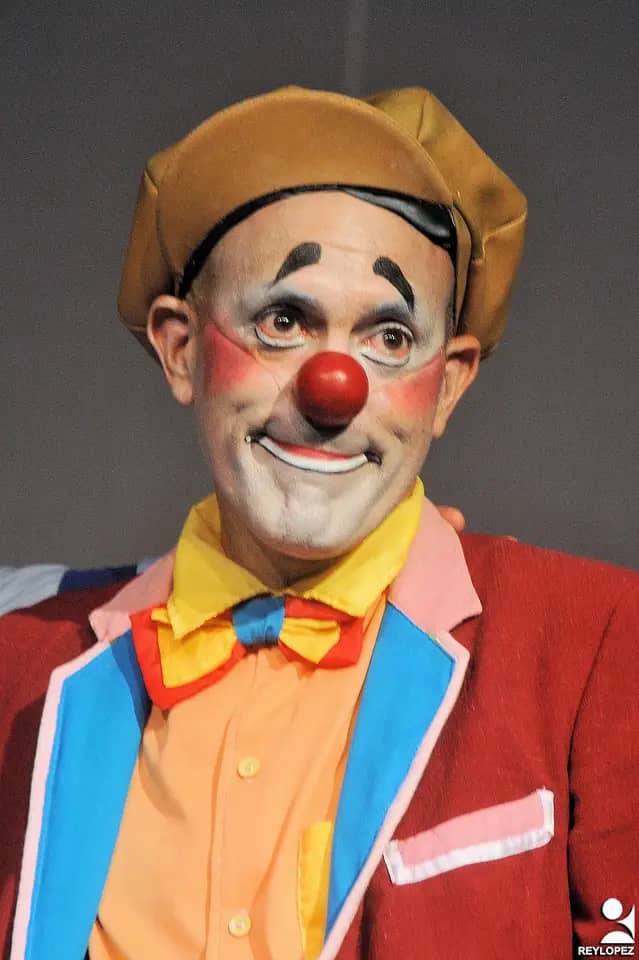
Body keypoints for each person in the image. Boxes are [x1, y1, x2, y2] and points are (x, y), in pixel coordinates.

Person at [1, 85, 637, 960]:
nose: (333, 387)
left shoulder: (593, 639)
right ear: (181, 348)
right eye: (283, 321)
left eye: (388, 338)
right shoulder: (22, 666)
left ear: (446, 385)